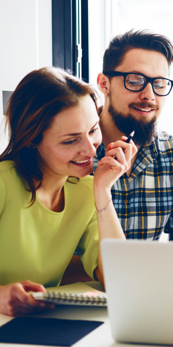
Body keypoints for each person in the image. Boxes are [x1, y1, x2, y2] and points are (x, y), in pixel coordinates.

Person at [0, 67, 136, 316]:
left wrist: (103, 191)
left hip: (37, 328)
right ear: (32, 139)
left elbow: (120, 281)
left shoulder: (85, 192)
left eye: (93, 130)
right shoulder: (3, 184)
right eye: (70, 140)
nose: (91, 150)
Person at [95, 29, 173, 241]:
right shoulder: (74, 151)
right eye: (135, 80)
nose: (149, 95)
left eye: (159, 84)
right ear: (104, 83)